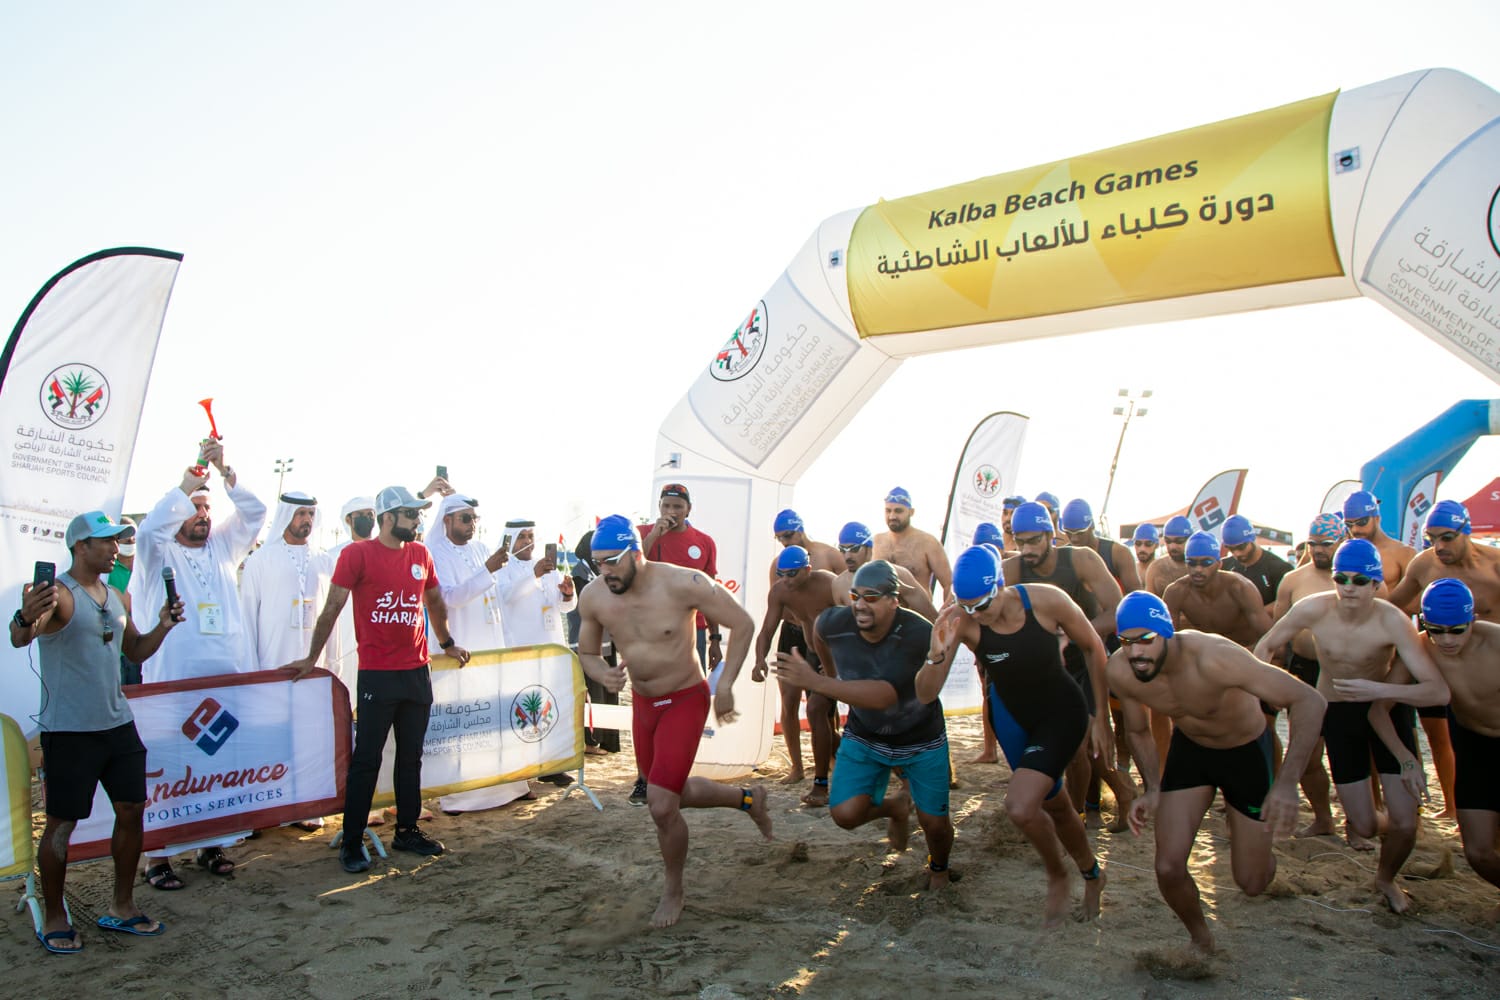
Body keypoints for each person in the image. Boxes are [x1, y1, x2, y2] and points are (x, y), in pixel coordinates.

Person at [577, 515, 772, 929]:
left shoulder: (684, 583)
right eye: (598, 563)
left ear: (635, 553)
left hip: (685, 697)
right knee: (672, 791)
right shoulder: (594, 596)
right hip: (644, 705)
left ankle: (674, 889)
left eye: (611, 562)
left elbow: (743, 623)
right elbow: (588, 653)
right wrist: (601, 674)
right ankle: (749, 799)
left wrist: (726, 685)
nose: (604, 572)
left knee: (660, 804)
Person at [1109, 591, 1327, 954]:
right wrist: (1152, 787)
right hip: (1191, 752)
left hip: (1244, 753)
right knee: (1167, 867)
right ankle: (1200, 938)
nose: (1136, 652)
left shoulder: (1215, 657)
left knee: (1252, 882)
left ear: (1167, 633)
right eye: (1126, 641)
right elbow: (1137, 730)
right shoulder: (1120, 670)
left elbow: (1309, 700)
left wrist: (1288, 783)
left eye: (1146, 639)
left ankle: (1253, 839)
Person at [9, 511, 183, 954]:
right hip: (70, 731)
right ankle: (53, 917)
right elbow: (22, 636)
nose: (114, 548)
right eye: (105, 541)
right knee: (62, 825)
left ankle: (123, 907)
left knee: (132, 809)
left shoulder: (117, 596)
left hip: (117, 724)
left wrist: (164, 624)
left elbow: (136, 650)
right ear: (80, 546)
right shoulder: (59, 596)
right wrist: (23, 618)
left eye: (117, 540)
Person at [1253, 539, 1449, 913]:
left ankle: (1385, 878)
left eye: (1360, 580)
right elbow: (1265, 646)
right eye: (1341, 578)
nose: (1348, 587)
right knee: (1364, 824)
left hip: (1385, 710)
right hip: (1338, 712)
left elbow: (1436, 689)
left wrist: (1377, 688)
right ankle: (1393, 821)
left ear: (1376, 585)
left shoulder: (1391, 620)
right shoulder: (1314, 608)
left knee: (1406, 825)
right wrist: (1267, 687)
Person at [285, 486, 471, 874]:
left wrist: (448, 642)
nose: (418, 521)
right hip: (376, 674)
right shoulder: (357, 554)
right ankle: (351, 842)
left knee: (410, 757)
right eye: (410, 514)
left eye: (419, 514)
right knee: (366, 760)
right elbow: (332, 608)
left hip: (416, 671)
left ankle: (407, 829)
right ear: (388, 518)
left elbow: (434, 601)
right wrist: (311, 658)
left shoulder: (421, 554)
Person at [920, 547, 1108, 925]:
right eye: (967, 604)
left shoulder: (1046, 600)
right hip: (1012, 715)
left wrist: (1100, 716)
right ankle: (1092, 874)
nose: (976, 613)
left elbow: (1093, 647)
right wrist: (935, 654)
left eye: (984, 603)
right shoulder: (961, 620)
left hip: (1060, 711)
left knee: (1021, 807)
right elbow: (925, 693)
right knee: (1054, 803)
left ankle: (1057, 874)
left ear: (1001, 586)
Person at [130, 442, 266, 888]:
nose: (204, 514)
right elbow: (149, 532)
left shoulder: (224, 548)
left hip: (224, 679)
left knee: (218, 762)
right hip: (174, 682)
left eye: (207, 507)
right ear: (176, 513)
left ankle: (212, 844)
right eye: (194, 507)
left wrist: (225, 471)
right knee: (169, 765)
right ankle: (158, 858)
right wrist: (186, 483)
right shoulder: (157, 555)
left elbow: (255, 513)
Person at [777, 560, 954, 890]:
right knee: (844, 814)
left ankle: (939, 868)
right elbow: (820, 634)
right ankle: (897, 807)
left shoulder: (917, 633)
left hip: (920, 738)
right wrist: (830, 675)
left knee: (935, 824)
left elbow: (885, 695)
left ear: (893, 600)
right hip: (866, 735)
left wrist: (819, 682)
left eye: (871, 597)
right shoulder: (835, 622)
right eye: (856, 595)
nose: (859, 604)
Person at [1003, 502, 1136, 829]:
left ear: (1051, 535)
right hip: (1048, 664)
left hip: (1086, 657)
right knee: (1066, 745)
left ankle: (1091, 807)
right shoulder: (1015, 568)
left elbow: (1118, 610)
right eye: (1020, 541)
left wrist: (1075, 629)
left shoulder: (1080, 559)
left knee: (1086, 742)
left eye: (1034, 540)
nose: (1027, 549)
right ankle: (1093, 803)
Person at [1391, 579, 1500, 916]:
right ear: (1423, 622)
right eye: (1436, 630)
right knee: (1479, 853)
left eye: (1457, 630)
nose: (1447, 640)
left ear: (1473, 620)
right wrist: (1404, 757)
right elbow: (1382, 704)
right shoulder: (1420, 648)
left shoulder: (1495, 641)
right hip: (1473, 747)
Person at [1387, 499, 1500, 818]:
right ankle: (1452, 807)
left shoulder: (1495, 566)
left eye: (1446, 537)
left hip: (1491, 667)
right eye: (1430, 538)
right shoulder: (1424, 565)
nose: (1438, 546)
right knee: (1446, 737)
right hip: (1445, 664)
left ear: (1466, 531)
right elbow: (1392, 607)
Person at [425, 494, 531, 813]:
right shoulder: (435, 554)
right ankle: (459, 795)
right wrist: (486, 571)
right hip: (459, 648)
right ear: (447, 521)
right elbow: (449, 599)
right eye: (465, 519)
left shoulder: (482, 549)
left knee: (494, 716)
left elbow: (495, 598)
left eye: (474, 519)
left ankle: (508, 785)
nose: (472, 524)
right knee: (462, 720)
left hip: (490, 645)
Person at [1263, 513, 1347, 838]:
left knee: (1353, 749)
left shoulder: (1355, 579)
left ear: (1341, 542)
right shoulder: (1294, 580)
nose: (1318, 550)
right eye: (1313, 544)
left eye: (1326, 544)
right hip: (1306, 670)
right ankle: (1324, 818)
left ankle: (1365, 817)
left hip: (1346, 673)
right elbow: (1277, 632)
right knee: (1308, 751)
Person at [753, 546, 841, 803]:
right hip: (812, 652)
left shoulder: (828, 584)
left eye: (792, 574)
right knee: (811, 710)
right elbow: (767, 629)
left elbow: (854, 620)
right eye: (782, 574)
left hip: (838, 656)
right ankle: (819, 780)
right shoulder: (780, 590)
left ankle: (825, 782)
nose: (786, 579)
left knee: (823, 714)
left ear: (807, 570)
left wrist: (838, 664)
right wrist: (759, 659)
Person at [240, 492, 330, 671]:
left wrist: (333, 667)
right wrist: (251, 670)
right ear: (286, 515)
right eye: (300, 513)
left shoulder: (324, 561)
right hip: (271, 664)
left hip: (314, 666)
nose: (307, 519)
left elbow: (330, 615)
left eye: (311, 514)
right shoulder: (261, 559)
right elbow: (247, 617)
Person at [639, 483, 721, 674]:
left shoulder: (704, 542)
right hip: (651, 628)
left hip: (693, 630)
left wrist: (714, 638)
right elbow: (629, 569)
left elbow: (710, 594)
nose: (671, 511)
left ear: (688, 509)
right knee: (654, 691)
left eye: (677, 507)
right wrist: (653, 536)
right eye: (666, 506)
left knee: (691, 694)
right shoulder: (642, 533)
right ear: (659, 506)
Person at [1163, 531, 1272, 648]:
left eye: (1206, 563)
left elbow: (1273, 641)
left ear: (1219, 564)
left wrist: (1246, 658)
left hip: (1246, 651)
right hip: (1209, 655)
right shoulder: (1176, 592)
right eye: (1192, 563)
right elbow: (1166, 643)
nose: (1198, 569)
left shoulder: (1240, 588)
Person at [496, 517, 577, 647]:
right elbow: (506, 597)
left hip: (553, 643)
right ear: (510, 540)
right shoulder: (502, 566)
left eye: (531, 536)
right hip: (521, 644)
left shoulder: (547, 565)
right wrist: (533, 575)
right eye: (521, 536)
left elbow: (566, 608)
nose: (527, 541)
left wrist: (568, 595)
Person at [873, 487, 953, 602]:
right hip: (884, 615)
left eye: (898, 511)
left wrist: (944, 614)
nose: (892, 516)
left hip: (918, 615)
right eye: (888, 510)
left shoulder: (928, 543)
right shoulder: (877, 541)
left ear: (911, 512)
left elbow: (949, 584)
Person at [1060, 498, 1142, 593]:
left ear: (1092, 526)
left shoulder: (1118, 553)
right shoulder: (1063, 557)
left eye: (1080, 532)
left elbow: (1136, 595)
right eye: (1068, 533)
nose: (1074, 539)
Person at [1343, 490, 1416, 589]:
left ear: (1377, 518)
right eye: (1349, 524)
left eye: (1362, 522)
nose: (1355, 529)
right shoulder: (1344, 553)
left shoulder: (1403, 553)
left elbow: (1413, 601)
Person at [1220, 514, 1292, 613]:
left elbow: (1288, 602)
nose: (1237, 553)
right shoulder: (1224, 566)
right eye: (1231, 548)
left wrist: (1252, 616)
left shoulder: (1279, 568)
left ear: (1252, 539)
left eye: (1241, 547)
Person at [1146, 515, 1194, 597]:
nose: (1172, 546)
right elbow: (1149, 603)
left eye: (1179, 541)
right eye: (1168, 541)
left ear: (1191, 539)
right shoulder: (1156, 568)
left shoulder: (1202, 566)